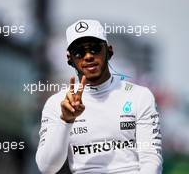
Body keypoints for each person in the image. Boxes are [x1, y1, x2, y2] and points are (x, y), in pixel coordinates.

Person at [35, 19, 162, 174]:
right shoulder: (57, 103)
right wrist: (66, 121)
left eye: (95, 49)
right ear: (69, 59)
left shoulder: (140, 96)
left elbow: (151, 161)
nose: (88, 56)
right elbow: (47, 168)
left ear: (109, 51)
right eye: (79, 52)